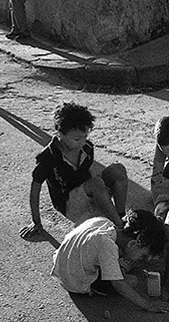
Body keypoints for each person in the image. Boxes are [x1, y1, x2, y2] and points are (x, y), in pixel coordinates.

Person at [19, 102, 129, 239]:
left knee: (118, 170)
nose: (82, 142)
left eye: (85, 137)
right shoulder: (48, 158)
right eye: (77, 139)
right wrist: (36, 222)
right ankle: (120, 229)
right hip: (69, 204)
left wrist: (101, 196)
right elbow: (35, 190)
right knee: (95, 183)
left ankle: (120, 216)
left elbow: (91, 174)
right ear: (59, 133)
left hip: (88, 192)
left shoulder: (87, 148)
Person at [52, 209, 169, 313]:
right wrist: (148, 305)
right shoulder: (107, 245)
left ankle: (120, 266)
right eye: (143, 255)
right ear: (133, 243)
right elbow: (119, 284)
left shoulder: (104, 222)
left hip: (63, 263)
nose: (143, 259)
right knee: (131, 281)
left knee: (126, 260)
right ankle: (95, 287)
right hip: (75, 281)